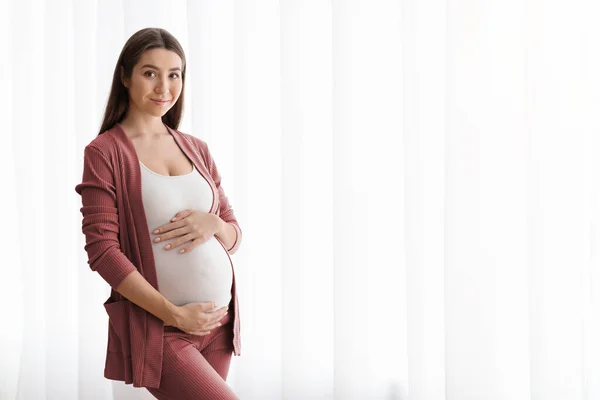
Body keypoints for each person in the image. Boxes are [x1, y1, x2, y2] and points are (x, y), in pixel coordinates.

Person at [74, 27, 242, 399]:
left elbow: (233, 232)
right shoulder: (105, 153)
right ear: (125, 76)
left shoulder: (196, 148)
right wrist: (171, 313)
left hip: (219, 325)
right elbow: (102, 252)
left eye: (174, 74)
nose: (163, 87)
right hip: (162, 327)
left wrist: (212, 223)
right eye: (150, 73)